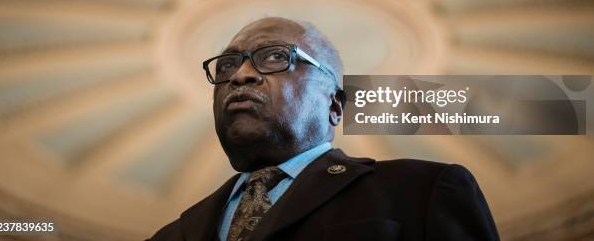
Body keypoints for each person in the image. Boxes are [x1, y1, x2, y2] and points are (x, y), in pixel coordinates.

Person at [148, 17, 499, 241]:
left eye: (274, 57)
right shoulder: (169, 236)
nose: (240, 75)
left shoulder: (423, 190)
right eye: (226, 65)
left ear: (334, 105)